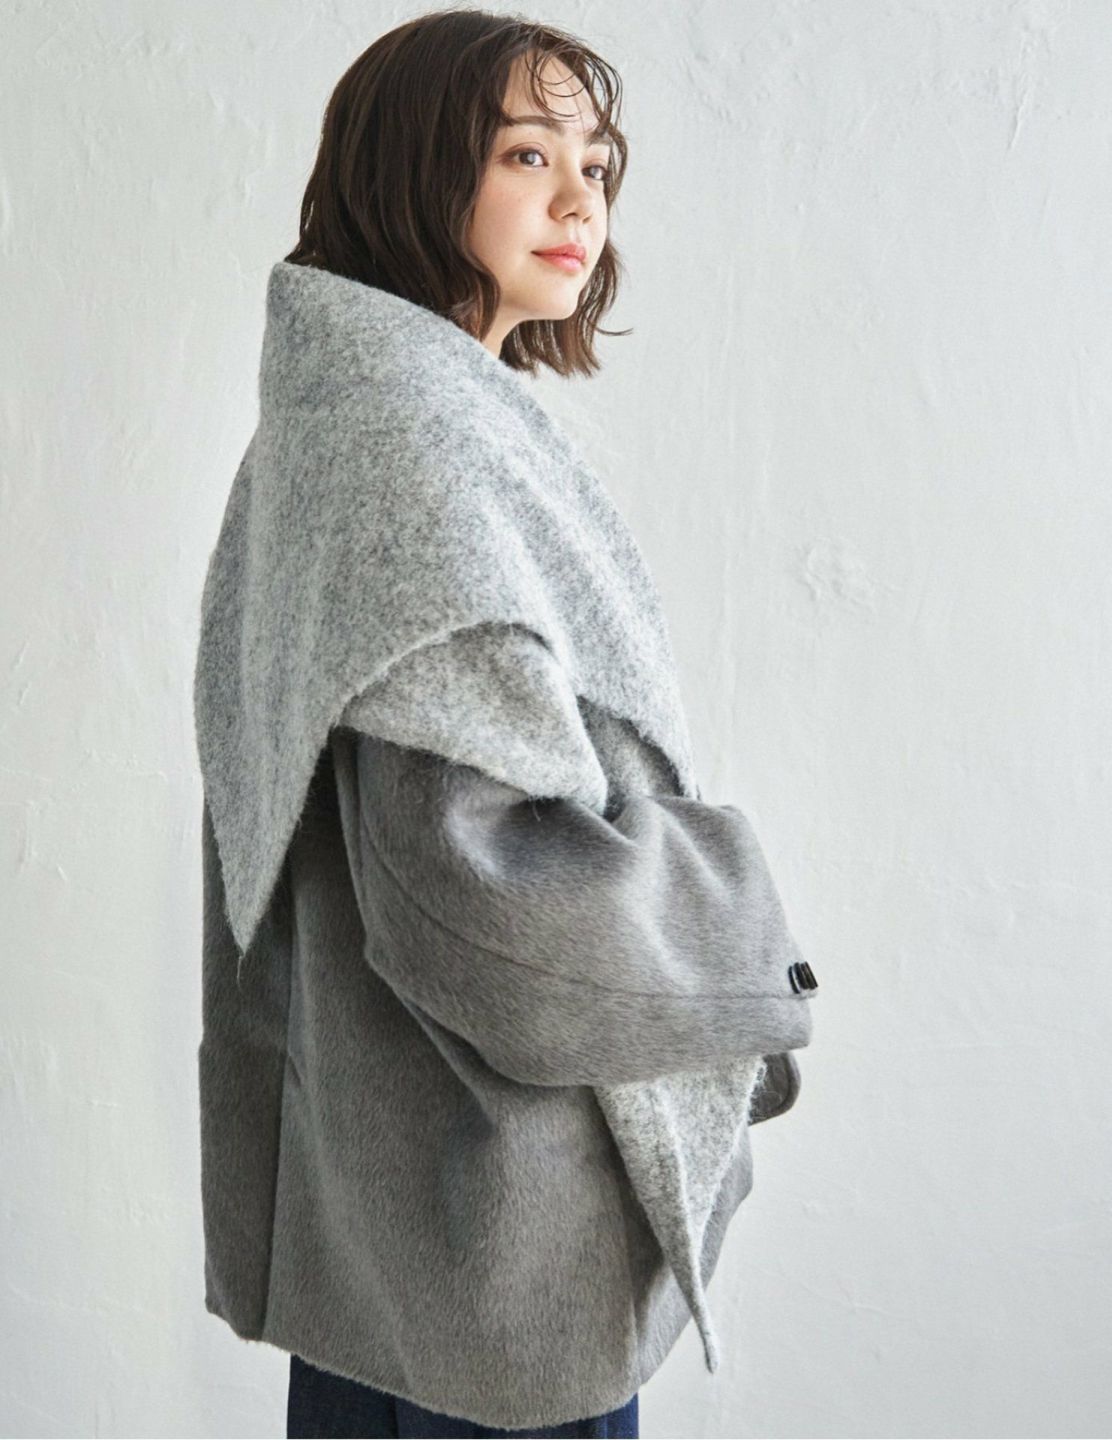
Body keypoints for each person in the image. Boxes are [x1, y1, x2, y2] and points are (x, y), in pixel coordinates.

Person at [193, 12, 816, 1439]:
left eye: (596, 161)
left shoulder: (348, 414)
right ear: (413, 170)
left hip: (391, 1220)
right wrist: (740, 925)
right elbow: (467, 884)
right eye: (527, 154)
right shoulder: (416, 441)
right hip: (495, 1241)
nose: (579, 197)